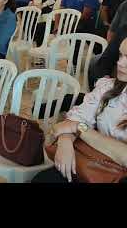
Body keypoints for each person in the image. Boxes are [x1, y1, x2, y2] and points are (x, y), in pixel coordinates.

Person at [32, 36, 127, 183]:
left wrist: (79, 128)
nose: (120, 62)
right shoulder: (110, 88)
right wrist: (65, 141)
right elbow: (75, 119)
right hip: (94, 163)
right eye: (120, 55)